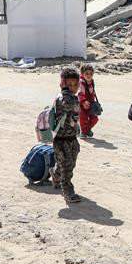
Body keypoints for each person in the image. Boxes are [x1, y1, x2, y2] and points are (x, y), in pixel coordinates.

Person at [51, 68, 82, 204]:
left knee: (70, 164)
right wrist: (65, 91)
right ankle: (68, 191)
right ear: (62, 84)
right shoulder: (61, 99)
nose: (73, 88)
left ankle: (55, 174)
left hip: (72, 138)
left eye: (75, 85)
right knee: (66, 167)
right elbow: (67, 105)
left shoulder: (74, 98)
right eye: (69, 85)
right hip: (60, 140)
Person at [78, 64, 99, 138]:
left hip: (91, 104)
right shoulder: (81, 82)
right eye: (86, 73)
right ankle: (84, 132)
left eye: (91, 73)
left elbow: (92, 92)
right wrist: (83, 101)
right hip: (82, 104)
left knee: (95, 119)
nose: (89, 75)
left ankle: (86, 130)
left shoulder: (92, 81)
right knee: (83, 119)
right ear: (82, 74)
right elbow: (80, 93)